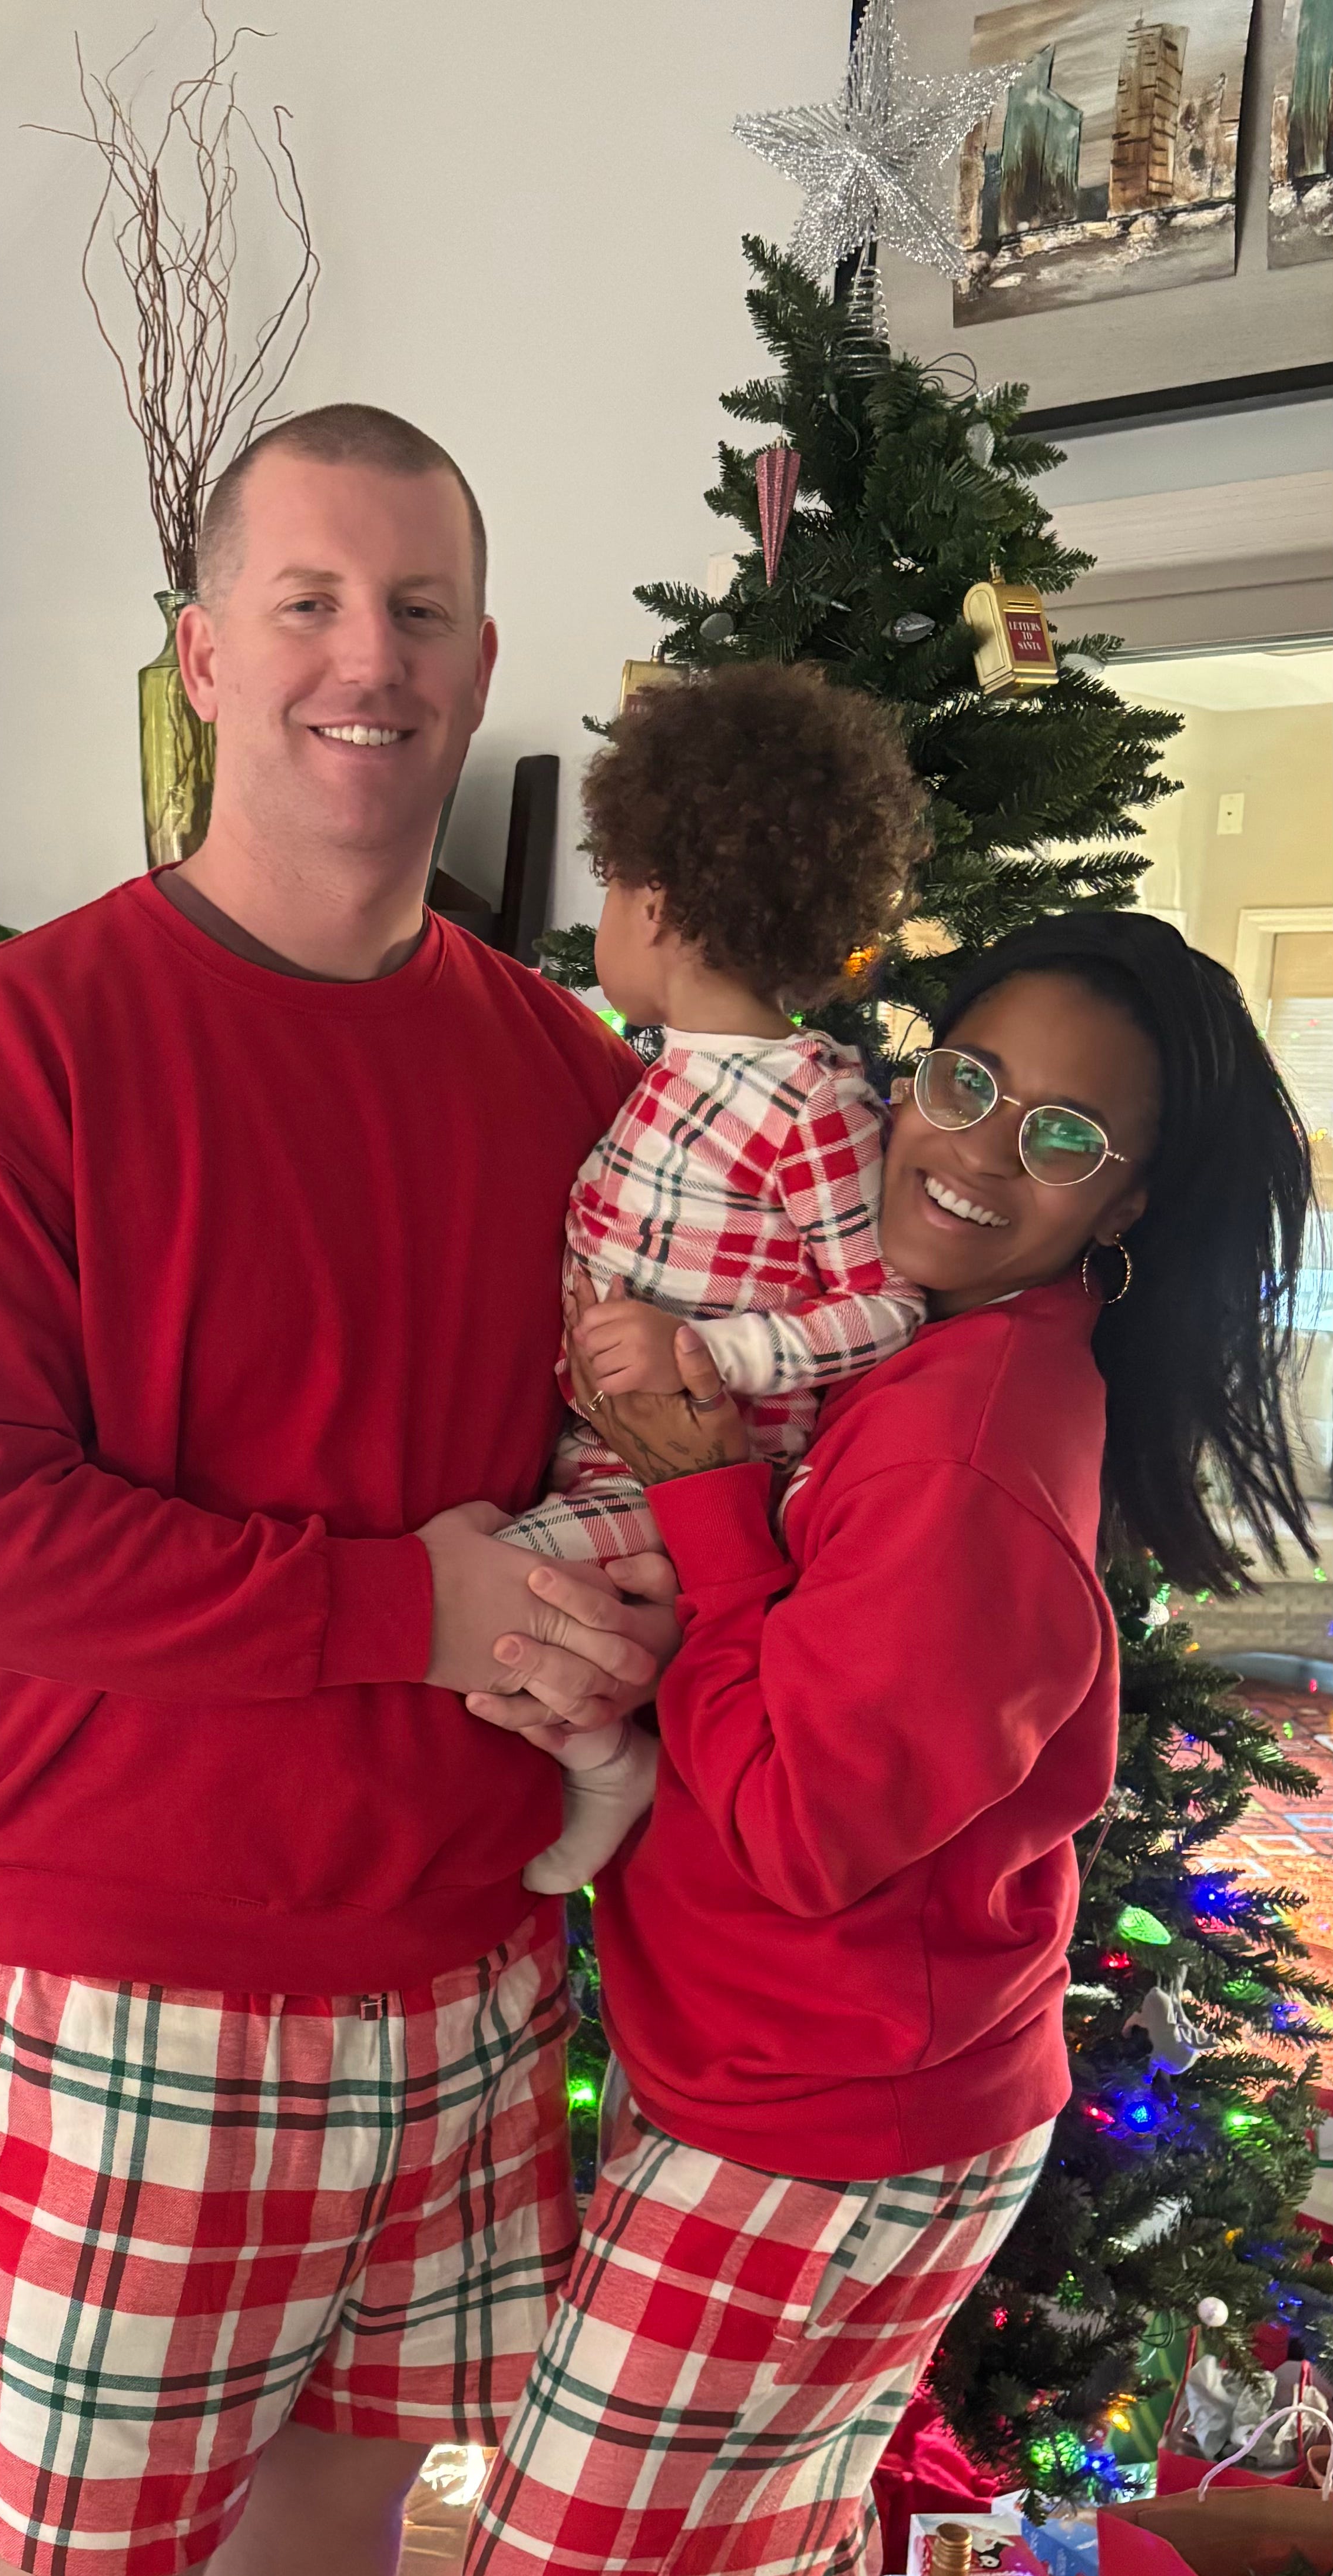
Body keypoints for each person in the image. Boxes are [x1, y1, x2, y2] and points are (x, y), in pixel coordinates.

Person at [0, 403, 680, 2576]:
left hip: (472, 1968)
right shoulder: (16, 1044)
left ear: (478, 667)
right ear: (201, 655)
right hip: (138, 1974)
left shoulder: (576, 1079)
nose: (367, 657)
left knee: (335, 2552)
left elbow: (637, 1453)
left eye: (418, 610)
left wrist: (609, 1611)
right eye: (308, 603)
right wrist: (414, 1604)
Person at [451, 909, 1313, 2576]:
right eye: (968, 1081)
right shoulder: (921, 1348)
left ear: (1128, 1199)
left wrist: (699, 1498)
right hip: (814, 2083)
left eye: (1062, 1134)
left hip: (817, 2124)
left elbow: (798, 1823)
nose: (979, 1152)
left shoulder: (966, 1440)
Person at [504, 663, 926, 1895]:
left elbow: (889, 1306)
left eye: (609, 884)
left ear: (657, 901)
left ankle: (607, 1764)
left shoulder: (812, 1099)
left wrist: (709, 1353)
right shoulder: (662, 1073)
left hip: (691, 1471)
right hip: (597, 1447)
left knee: (492, 1601)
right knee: (489, 1566)